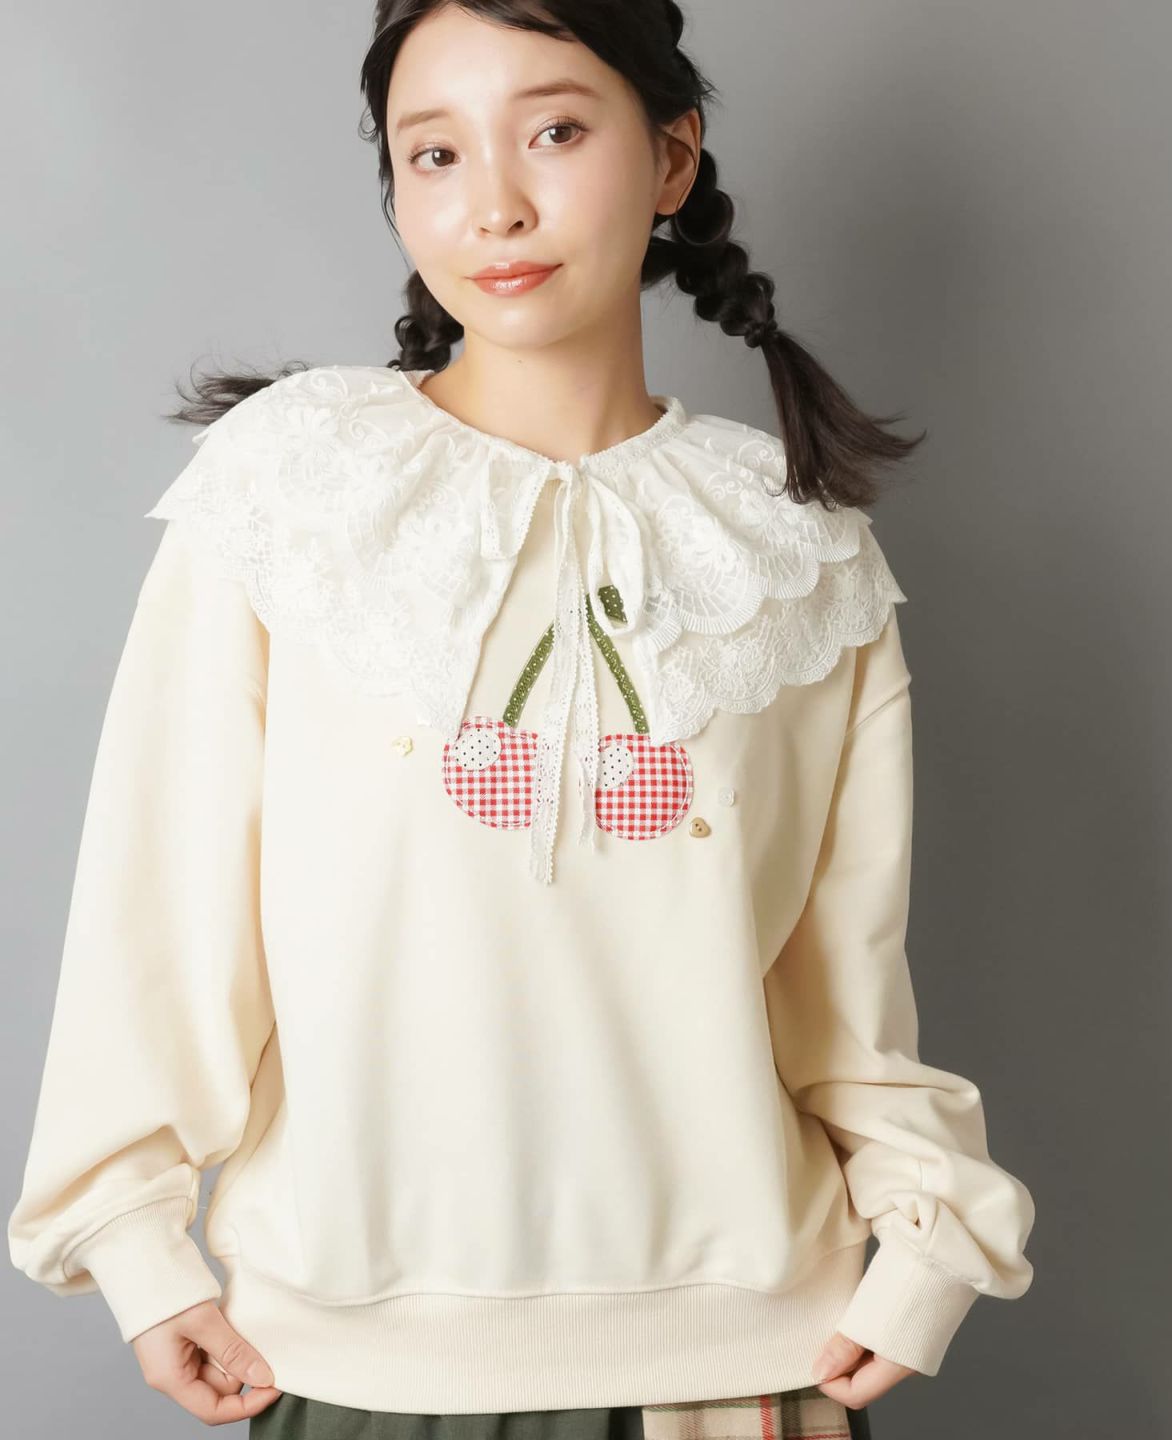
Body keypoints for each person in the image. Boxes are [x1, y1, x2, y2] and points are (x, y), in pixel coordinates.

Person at [7, 2, 1036, 1437]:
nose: (493, 203)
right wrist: (131, 1243)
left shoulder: (793, 546)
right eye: (432, 152)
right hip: (353, 1371)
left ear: (671, 156)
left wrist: (928, 1249)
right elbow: (159, 909)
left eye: (554, 130)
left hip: (742, 1374)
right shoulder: (292, 492)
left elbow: (844, 993)